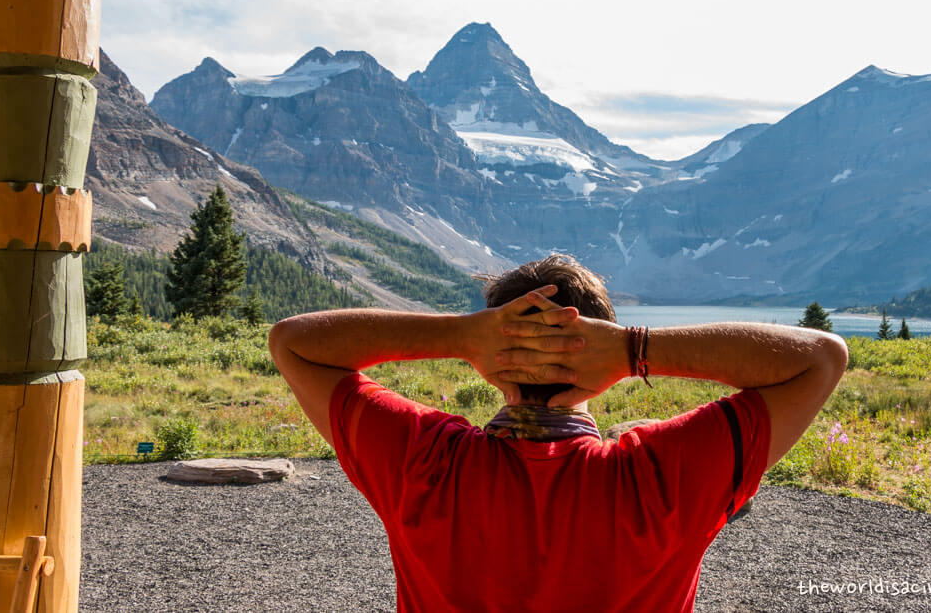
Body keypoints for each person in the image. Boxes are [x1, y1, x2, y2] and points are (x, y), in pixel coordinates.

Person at [268, 255, 848, 611]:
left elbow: (293, 341)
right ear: (601, 372)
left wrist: (460, 337)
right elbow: (821, 358)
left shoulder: (423, 459)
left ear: (492, 361)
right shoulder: (663, 472)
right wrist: (634, 349)